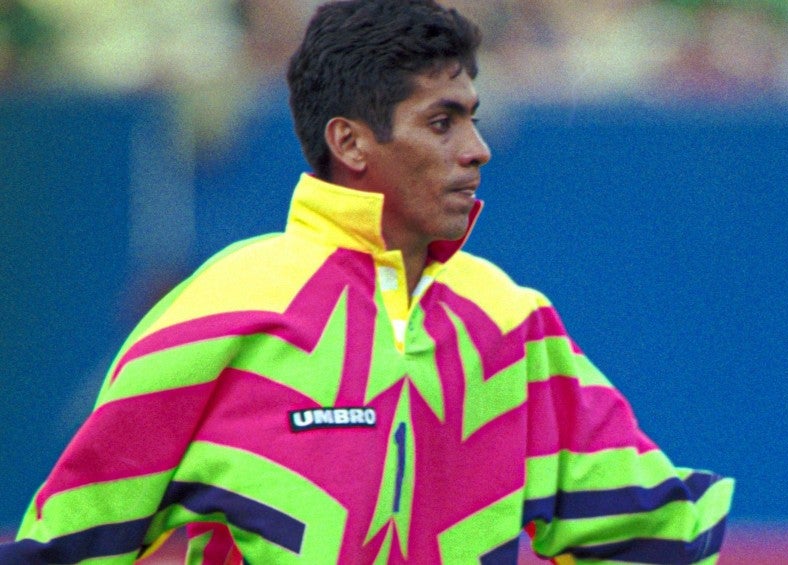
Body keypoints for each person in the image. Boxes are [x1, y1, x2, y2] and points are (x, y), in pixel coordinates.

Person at [0, 0, 733, 563]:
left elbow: (659, 537)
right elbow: (67, 544)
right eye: (441, 122)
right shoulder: (221, 313)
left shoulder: (514, 323)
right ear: (349, 140)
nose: (476, 150)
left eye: (472, 120)